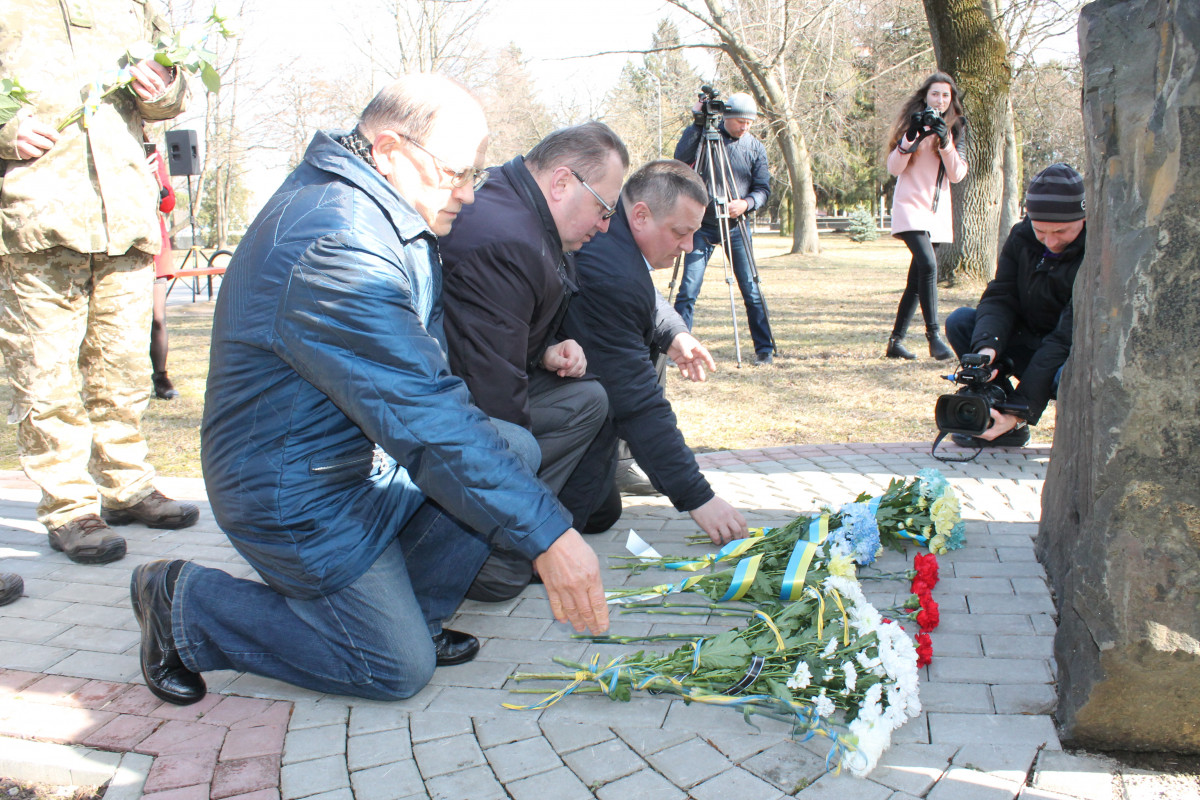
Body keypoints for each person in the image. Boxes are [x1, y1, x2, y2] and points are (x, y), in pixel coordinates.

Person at [128, 74, 608, 707]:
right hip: (293, 491)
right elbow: (422, 409)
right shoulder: (337, 242)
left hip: (356, 461)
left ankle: (414, 616)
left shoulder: (388, 213)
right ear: (389, 150)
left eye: (476, 175)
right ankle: (186, 606)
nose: (468, 193)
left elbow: (423, 377)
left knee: (512, 447)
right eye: (456, 173)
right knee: (395, 669)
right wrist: (548, 534)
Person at [0, 0, 199, 566]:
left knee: (124, 370)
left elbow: (173, 97)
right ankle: (69, 508)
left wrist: (162, 86)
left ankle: (126, 486)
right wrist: (5, 132)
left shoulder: (135, 7)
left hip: (126, 218)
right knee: (45, 377)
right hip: (37, 220)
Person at [439, 123, 629, 538]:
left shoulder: (522, 210)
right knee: (521, 443)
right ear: (562, 183)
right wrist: (532, 515)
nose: (605, 226)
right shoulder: (509, 241)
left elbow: (492, 328)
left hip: (464, 386)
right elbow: (493, 391)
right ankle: (509, 542)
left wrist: (545, 349)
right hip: (452, 408)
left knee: (587, 399)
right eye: (604, 208)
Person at [564, 160, 750, 546]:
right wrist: (698, 497)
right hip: (538, 402)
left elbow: (644, 297)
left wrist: (674, 334)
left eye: (695, 233)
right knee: (585, 512)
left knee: (603, 511)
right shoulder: (609, 268)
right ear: (641, 215)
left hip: (577, 381)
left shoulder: (615, 237)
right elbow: (637, 402)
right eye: (681, 233)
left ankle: (615, 462)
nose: (689, 247)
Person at [945, 163, 1087, 448]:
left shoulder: (1097, 250)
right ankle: (998, 420)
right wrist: (987, 349)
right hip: (1027, 339)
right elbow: (1001, 296)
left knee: (1070, 374)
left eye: (1061, 231)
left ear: (1083, 218)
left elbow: (1065, 336)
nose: (1050, 241)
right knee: (962, 322)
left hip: (1068, 353)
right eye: (1040, 230)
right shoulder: (1021, 236)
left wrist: (1020, 411)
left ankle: (1067, 439)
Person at [672, 92, 776, 365]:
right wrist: (697, 123)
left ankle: (764, 349)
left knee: (751, 289)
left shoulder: (755, 147)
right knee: (688, 290)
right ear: (727, 117)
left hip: (736, 226)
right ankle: (679, 346)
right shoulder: (706, 138)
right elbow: (680, 158)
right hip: (702, 226)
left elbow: (763, 189)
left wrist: (747, 203)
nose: (745, 127)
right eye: (740, 121)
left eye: (749, 122)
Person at [883, 72, 969, 362]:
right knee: (929, 266)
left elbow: (957, 174)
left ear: (951, 100)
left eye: (945, 95)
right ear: (925, 96)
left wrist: (945, 140)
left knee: (916, 280)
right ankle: (934, 337)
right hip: (909, 207)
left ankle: (895, 342)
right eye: (935, 94)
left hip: (936, 212)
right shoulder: (912, 123)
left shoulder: (957, 127)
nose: (940, 100)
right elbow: (894, 168)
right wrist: (912, 135)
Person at [147, 137, 179, 400]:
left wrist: (153, 178)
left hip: (153, 248)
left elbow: (168, 203)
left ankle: (161, 377)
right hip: (119, 249)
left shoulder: (153, 155)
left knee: (158, 317)